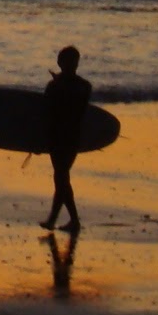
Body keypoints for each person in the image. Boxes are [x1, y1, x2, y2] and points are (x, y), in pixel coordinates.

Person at [41, 44, 91, 231]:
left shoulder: (56, 86)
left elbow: (48, 111)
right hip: (69, 137)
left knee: (61, 177)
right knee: (62, 177)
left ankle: (55, 220)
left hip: (62, 137)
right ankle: (73, 221)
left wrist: (59, 83)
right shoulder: (84, 86)